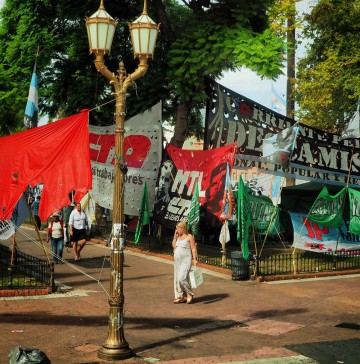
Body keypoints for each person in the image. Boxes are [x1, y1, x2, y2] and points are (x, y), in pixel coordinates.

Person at [172, 220, 198, 304]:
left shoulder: (189, 236)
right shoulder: (177, 236)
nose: (176, 230)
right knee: (177, 278)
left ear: (183, 229)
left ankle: (190, 292)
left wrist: (194, 259)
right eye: (176, 228)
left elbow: (193, 248)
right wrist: (175, 237)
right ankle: (181, 296)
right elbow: (173, 246)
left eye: (178, 229)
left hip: (186, 260)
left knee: (182, 277)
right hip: (177, 261)